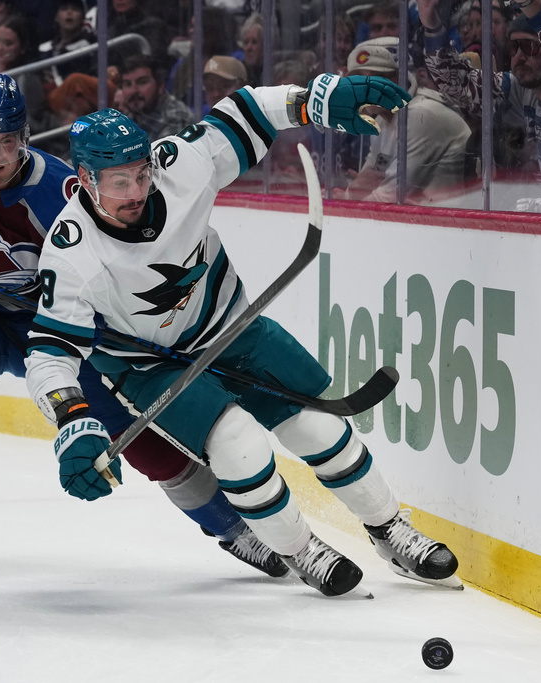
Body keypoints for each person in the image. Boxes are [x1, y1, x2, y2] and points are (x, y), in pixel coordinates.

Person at [0, 74, 291, 607]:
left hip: (52, 327)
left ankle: (232, 528)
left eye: (7, 142)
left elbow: (118, 266)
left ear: (25, 135)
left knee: (129, 425)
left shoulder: (59, 189)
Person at [23, 76, 462, 597]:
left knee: (319, 428)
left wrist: (315, 100)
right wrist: (72, 421)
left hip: (233, 328)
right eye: (119, 183)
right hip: (151, 364)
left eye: (141, 175)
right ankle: (301, 550)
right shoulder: (71, 252)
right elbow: (50, 353)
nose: (136, 192)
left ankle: (390, 529)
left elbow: (248, 109)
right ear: (84, 179)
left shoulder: (177, 165)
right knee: (239, 445)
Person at [417, 0, 541, 186]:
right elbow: (459, 85)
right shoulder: (521, 88)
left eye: (529, 46)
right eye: (513, 47)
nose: (518, 57)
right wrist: (432, 26)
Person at [343, 37, 471, 203]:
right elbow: (365, 182)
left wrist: (349, 195)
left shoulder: (420, 115)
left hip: (450, 226)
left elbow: (389, 197)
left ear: (403, 76)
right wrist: (353, 191)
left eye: (379, 77)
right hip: (421, 223)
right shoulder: (382, 121)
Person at [116, 54, 195, 142]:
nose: (133, 90)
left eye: (142, 82)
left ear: (160, 86)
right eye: (127, 84)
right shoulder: (131, 116)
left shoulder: (176, 117)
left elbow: (164, 155)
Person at [38, 0, 97, 83]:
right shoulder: (46, 48)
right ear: (56, 16)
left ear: (83, 17)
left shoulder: (90, 45)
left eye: (75, 9)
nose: (69, 12)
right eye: (64, 9)